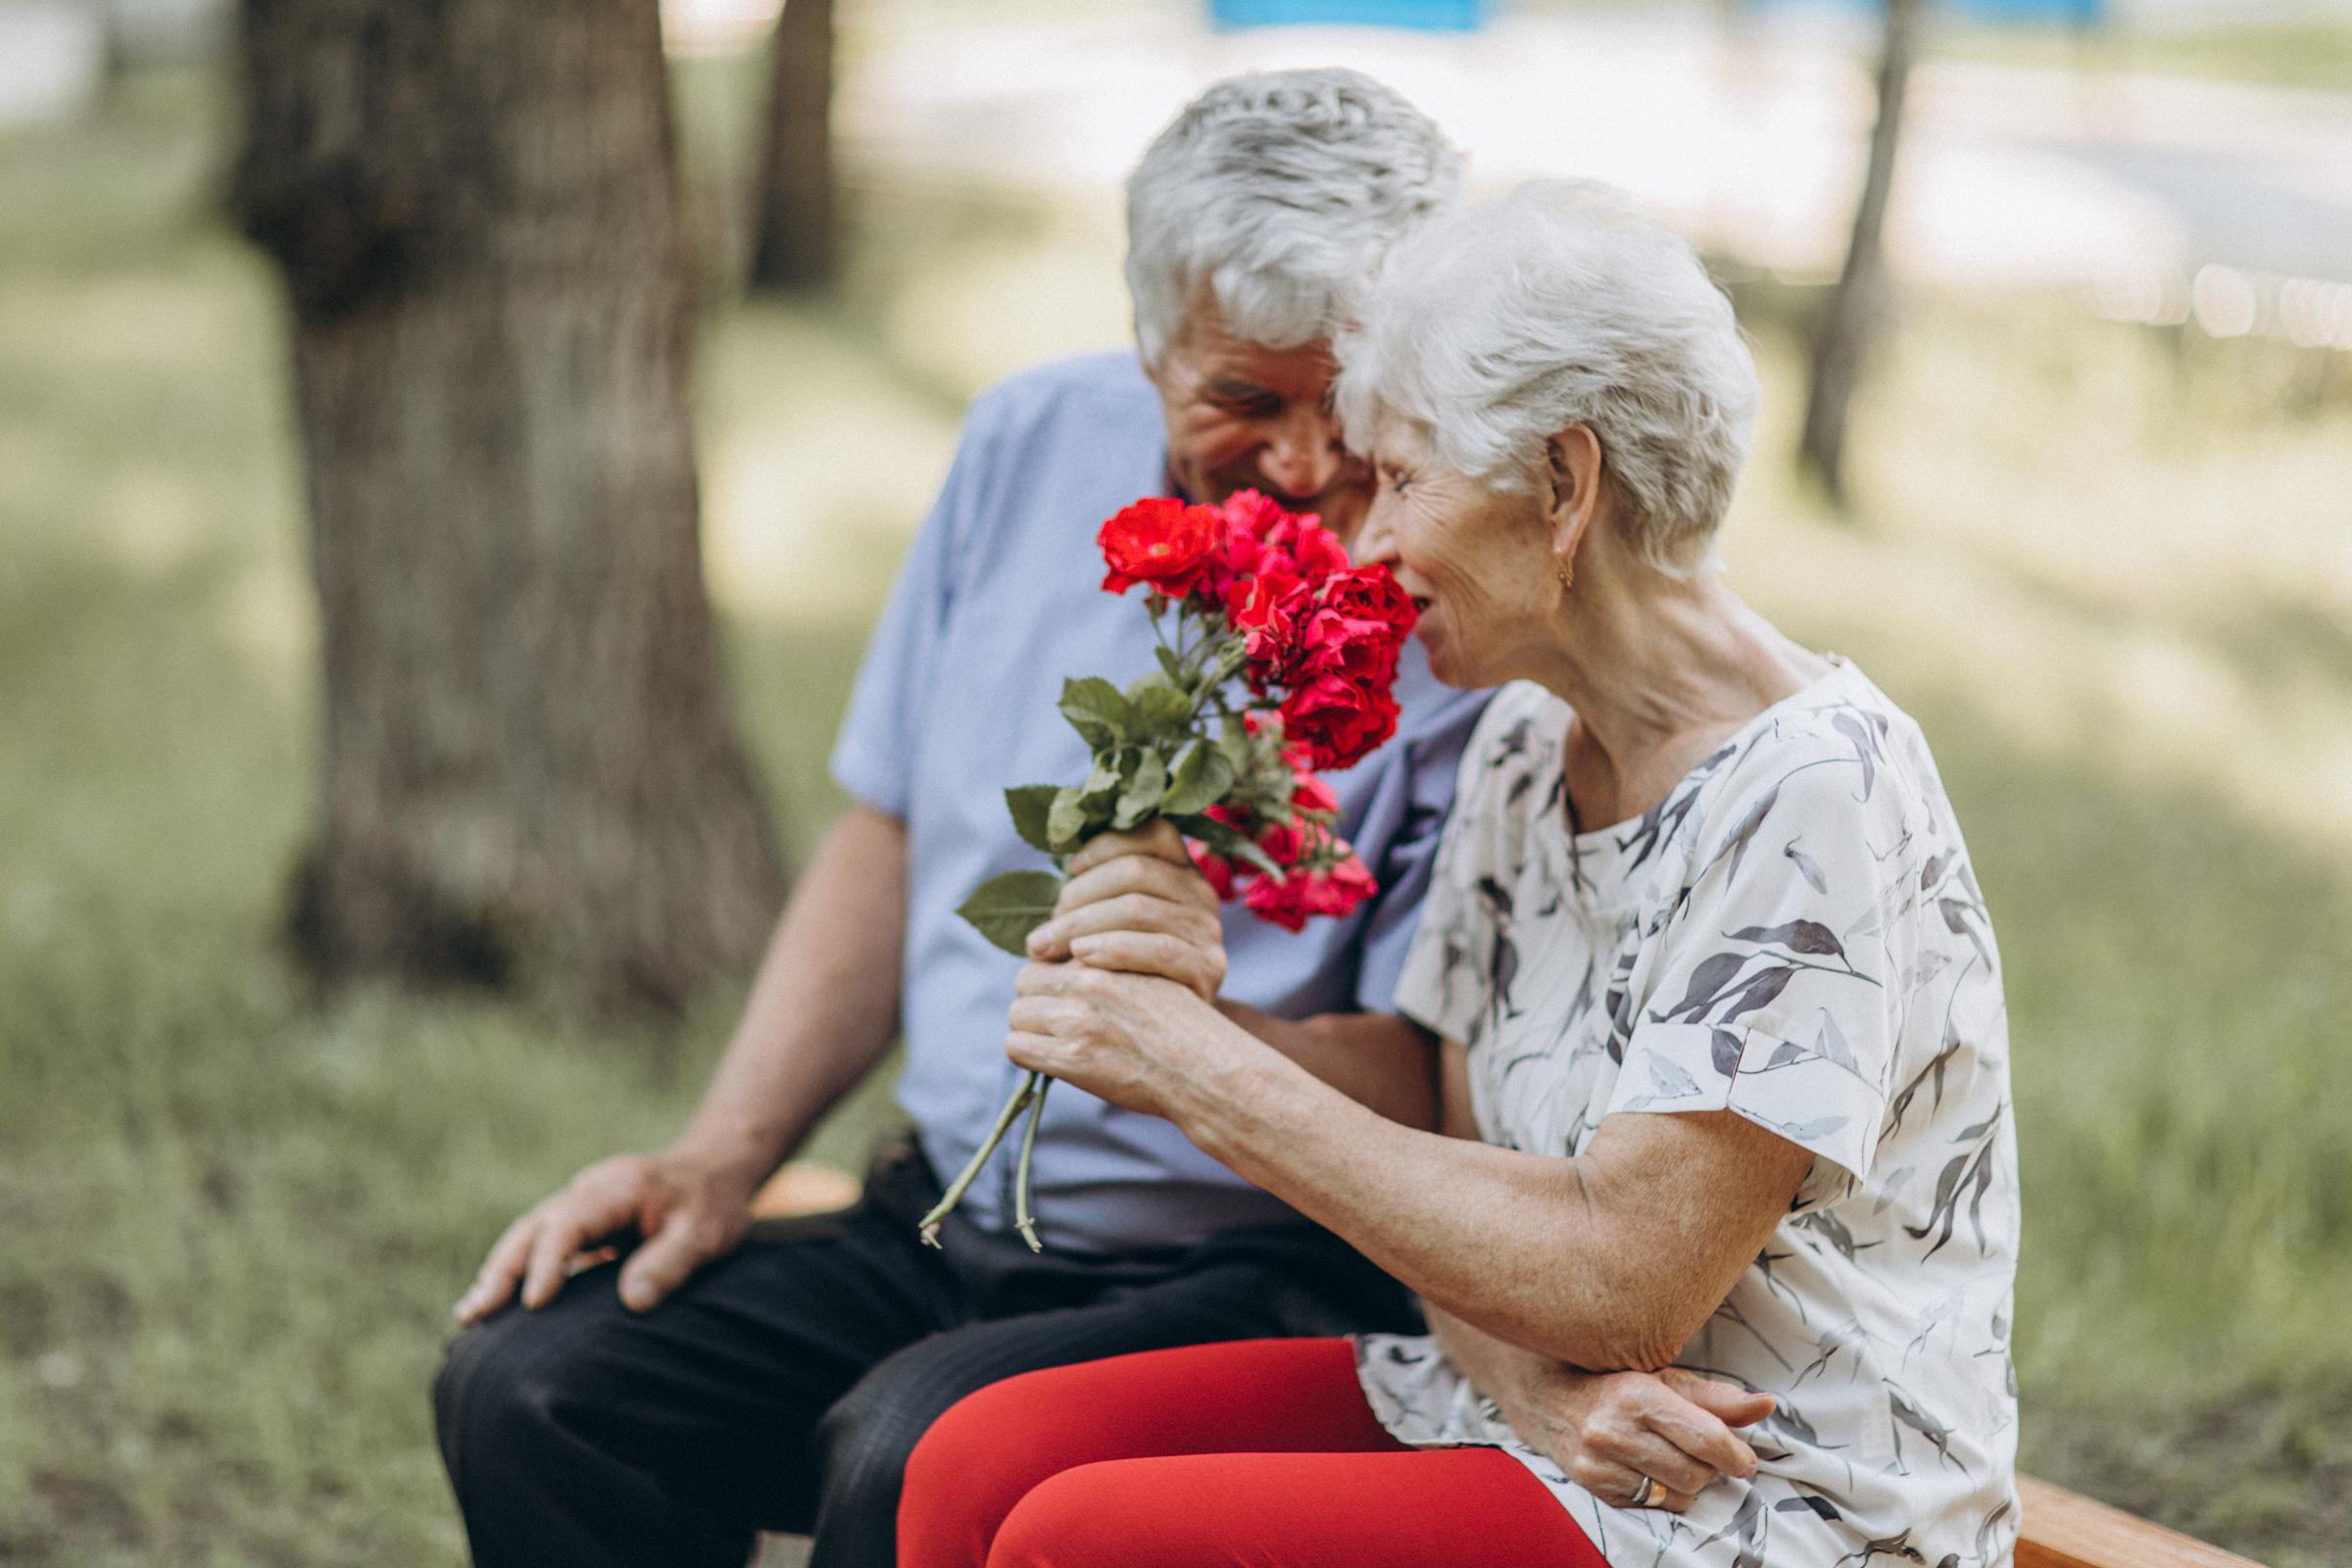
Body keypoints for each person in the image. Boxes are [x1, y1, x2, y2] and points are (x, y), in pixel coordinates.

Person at [432, 70, 1491, 1568]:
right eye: (1242, 401)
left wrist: (1188, 1036)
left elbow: (1434, 1096)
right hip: (937, 1215)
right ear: (1147, 346)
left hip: (1260, 1272)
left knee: (910, 1453)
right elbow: (890, 838)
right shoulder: (1022, 444)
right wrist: (719, 1161)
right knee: (535, 1388)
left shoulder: (1465, 595)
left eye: (1354, 405)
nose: (1309, 467)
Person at [899, 180, 2020, 1568]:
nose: (1366, 542)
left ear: (1563, 484)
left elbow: (1625, 1284)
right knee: (971, 1464)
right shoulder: (1518, 744)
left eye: (1406, 480)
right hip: (1519, 1401)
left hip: (1754, 1501)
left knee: (1082, 1542)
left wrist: (1193, 1064)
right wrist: (1177, 1007)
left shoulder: (1813, 793)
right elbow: (1447, 1134)